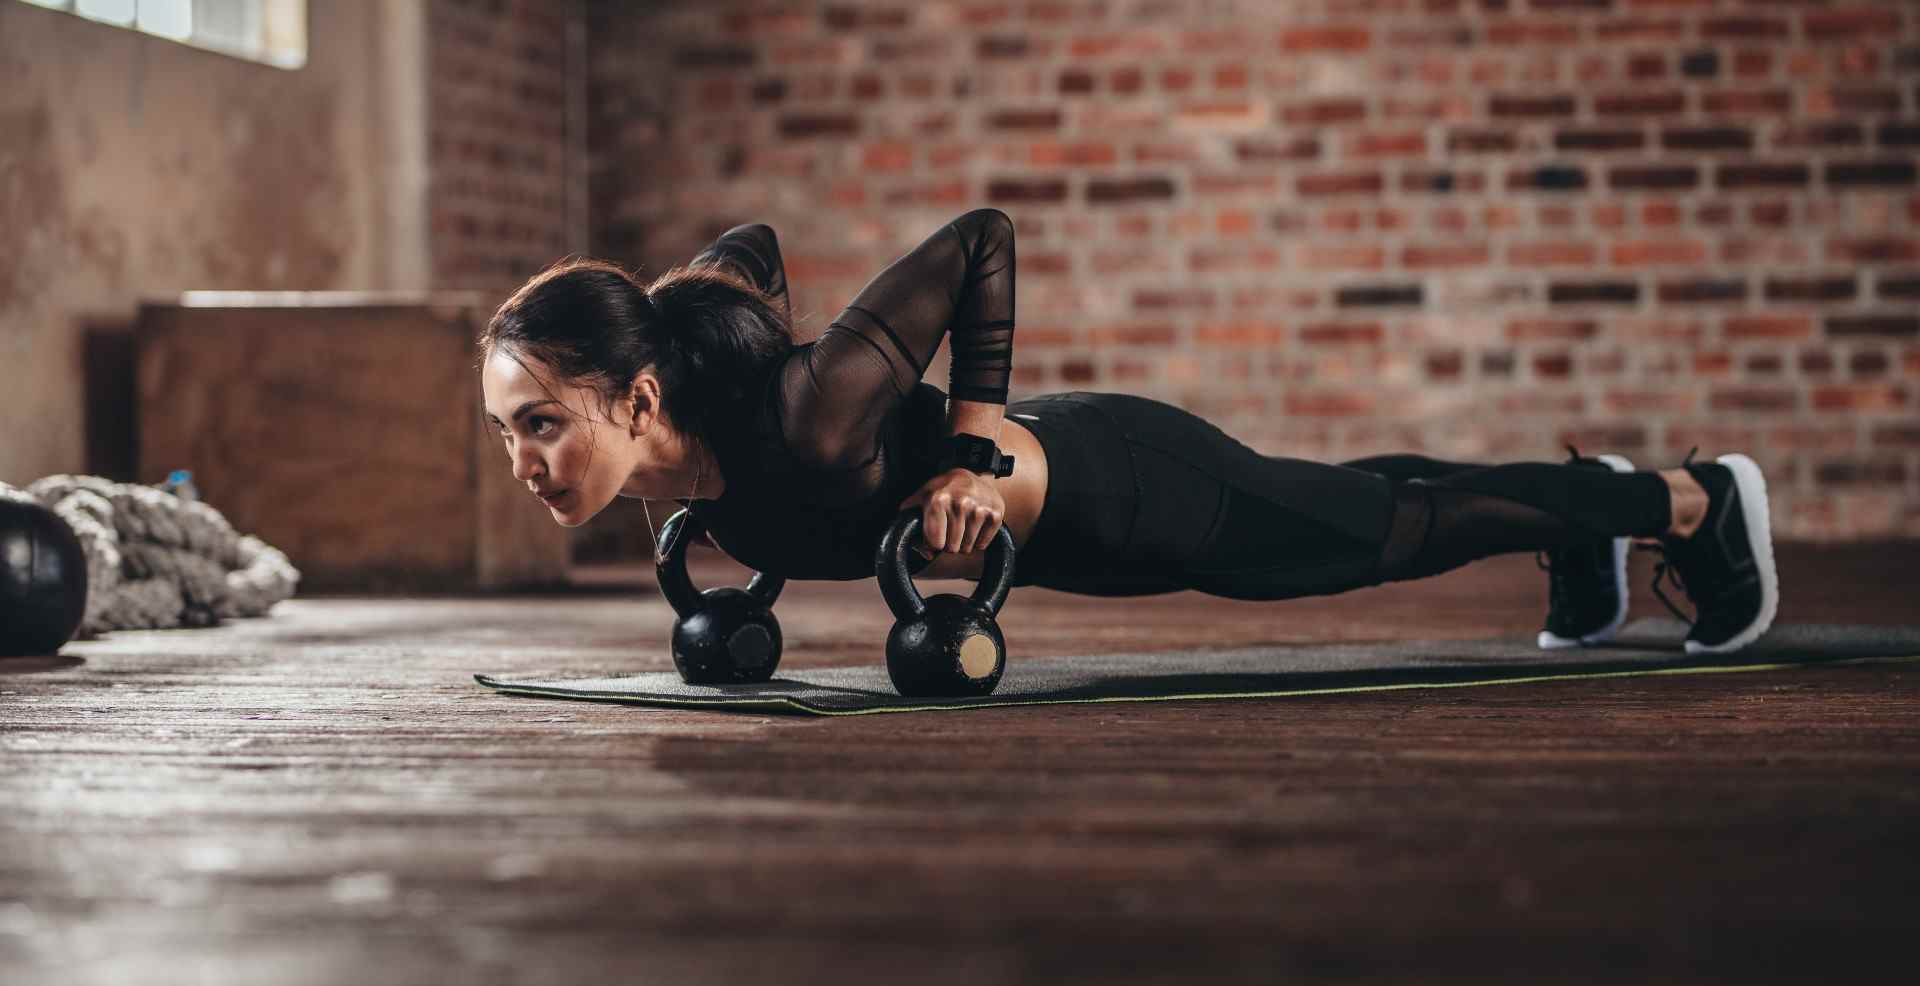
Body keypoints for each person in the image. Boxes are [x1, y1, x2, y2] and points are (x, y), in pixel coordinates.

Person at [478, 209, 1778, 655]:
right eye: (503, 434)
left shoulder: (809, 418)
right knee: (1354, 494)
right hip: (1086, 536)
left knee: (1381, 534)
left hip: (1126, 483)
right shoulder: (685, 445)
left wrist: (969, 457)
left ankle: (1688, 500)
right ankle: (1591, 505)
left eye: (538, 423)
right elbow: (744, 251)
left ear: (633, 400)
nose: (524, 462)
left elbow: (983, 239)